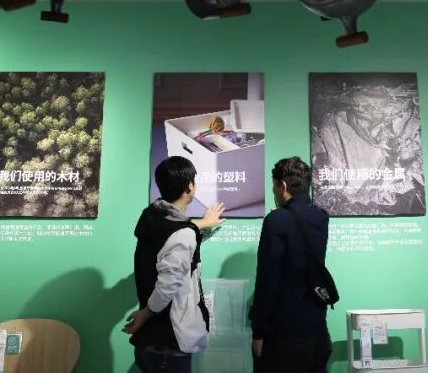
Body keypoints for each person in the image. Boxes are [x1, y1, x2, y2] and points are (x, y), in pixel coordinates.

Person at [124, 156, 226, 373]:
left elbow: (172, 236)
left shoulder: (151, 217)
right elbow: (168, 284)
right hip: (170, 344)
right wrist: (146, 313)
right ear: (190, 187)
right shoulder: (182, 233)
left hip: (150, 342)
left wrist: (201, 225)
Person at [250, 157, 331, 373]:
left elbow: (267, 281)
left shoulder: (276, 220)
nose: (274, 192)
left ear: (283, 186)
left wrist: (258, 332)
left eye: (275, 186)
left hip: (284, 334)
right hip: (317, 328)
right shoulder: (321, 217)